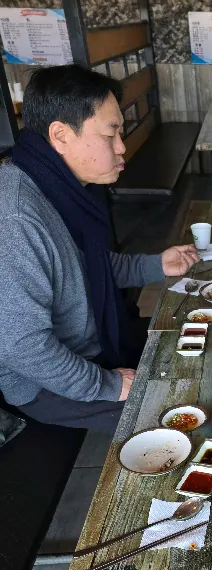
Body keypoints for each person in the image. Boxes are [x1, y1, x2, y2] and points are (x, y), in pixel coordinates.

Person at [0, 65, 200, 434]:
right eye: (110, 134)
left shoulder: (57, 184)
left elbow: (83, 268)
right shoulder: (16, 217)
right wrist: (106, 384)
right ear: (60, 135)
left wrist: (156, 264)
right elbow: (22, 346)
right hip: (46, 383)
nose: (121, 147)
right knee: (185, 415)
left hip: (94, 344)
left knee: (197, 345)